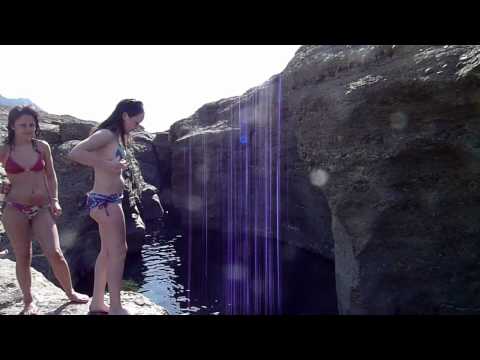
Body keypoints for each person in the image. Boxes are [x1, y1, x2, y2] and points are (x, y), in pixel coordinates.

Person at [0, 106, 89, 315]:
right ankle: (28, 301)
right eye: (23, 125)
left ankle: (70, 293)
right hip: (14, 209)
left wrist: (55, 200)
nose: (28, 128)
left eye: (32, 124)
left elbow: (51, 175)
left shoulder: (42, 147)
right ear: (13, 126)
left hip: (41, 208)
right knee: (23, 256)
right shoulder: (4, 150)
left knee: (55, 253)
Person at [68, 99, 144, 315]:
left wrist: (114, 166)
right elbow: (75, 152)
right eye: (136, 122)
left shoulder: (117, 136)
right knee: (119, 252)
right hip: (106, 202)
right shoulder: (106, 135)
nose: (136, 127)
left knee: (107, 252)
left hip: (110, 200)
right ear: (125, 116)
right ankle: (116, 307)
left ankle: (98, 302)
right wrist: (107, 165)